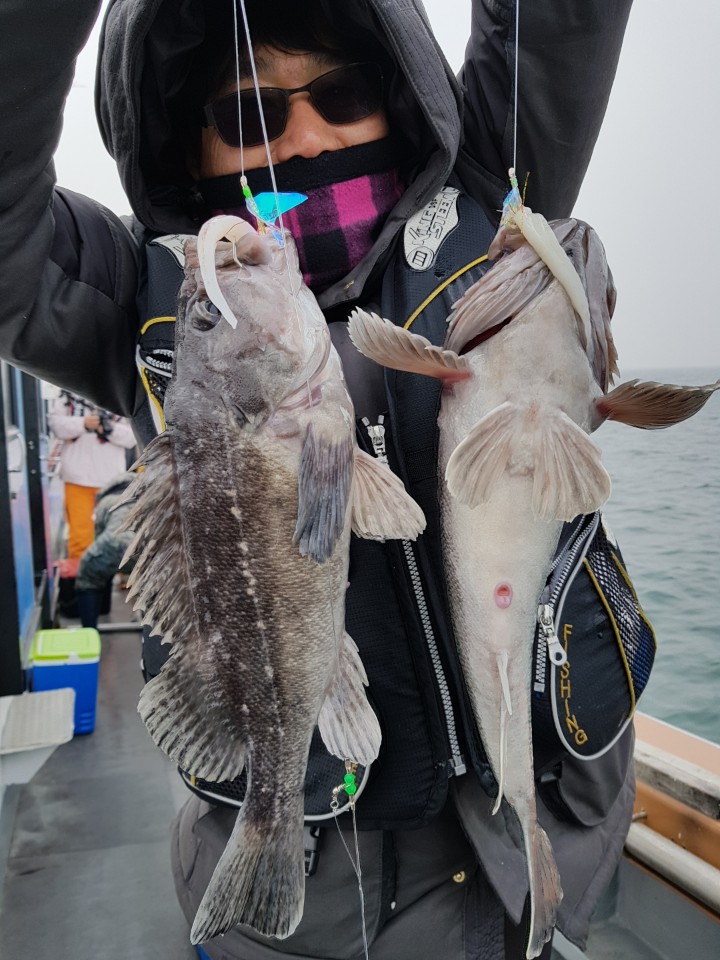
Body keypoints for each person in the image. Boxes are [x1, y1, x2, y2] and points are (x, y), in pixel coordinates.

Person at [0, 1, 646, 958]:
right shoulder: (134, 290)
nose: (301, 138)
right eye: (249, 112)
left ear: (396, 96)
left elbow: (558, 24)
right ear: (188, 138)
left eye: (342, 95)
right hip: (315, 905)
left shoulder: (493, 197)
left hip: (544, 850)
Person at [48, 390, 137, 560]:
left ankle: (117, 572)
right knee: (79, 537)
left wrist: (109, 429)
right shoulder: (66, 394)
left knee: (117, 533)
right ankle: (81, 573)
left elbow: (131, 438)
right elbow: (56, 425)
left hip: (112, 482)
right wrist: (83, 423)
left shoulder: (120, 395)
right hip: (76, 479)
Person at [74, 471, 137, 629]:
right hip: (152, 548)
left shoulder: (106, 502)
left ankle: (90, 630)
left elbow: (101, 540)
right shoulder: (151, 496)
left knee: (89, 572)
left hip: (117, 545)